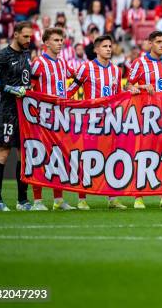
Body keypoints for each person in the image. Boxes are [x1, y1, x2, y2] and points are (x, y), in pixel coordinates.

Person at [67, 34, 139, 209]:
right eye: (105, 46)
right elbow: (70, 90)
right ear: (96, 49)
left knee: (110, 159)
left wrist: (130, 91)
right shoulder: (86, 68)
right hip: (91, 122)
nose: (108, 49)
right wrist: (55, 102)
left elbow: (117, 95)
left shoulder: (116, 70)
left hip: (111, 122)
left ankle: (112, 199)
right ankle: (82, 199)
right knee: (87, 160)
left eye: (110, 46)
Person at [127, 30, 162, 209]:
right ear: (150, 43)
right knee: (144, 155)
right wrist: (141, 86)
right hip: (145, 116)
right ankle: (138, 196)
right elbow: (128, 84)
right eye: (158, 41)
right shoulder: (139, 62)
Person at [0, 22, 33, 211]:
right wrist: (9, 88)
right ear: (16, 35)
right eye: (26, 36)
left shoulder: (27, 54)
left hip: (25, 113)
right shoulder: (3, 55)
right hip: (8, 111)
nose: (29, 40)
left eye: (30, 37)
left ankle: (22, 200)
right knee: (3, 153)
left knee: (24, 155)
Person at [29, 28, 78, 210]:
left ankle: (58, 200)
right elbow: (29, 89)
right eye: (56, 40)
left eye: (61, 40)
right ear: (46, 43)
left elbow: (78, 78)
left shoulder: (63, 63)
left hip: (60, 118)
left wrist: (67, 95)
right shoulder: (38, 63)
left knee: (58, 158)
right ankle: (37, 201)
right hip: (42, 118)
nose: (60, 43)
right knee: (40, 157)